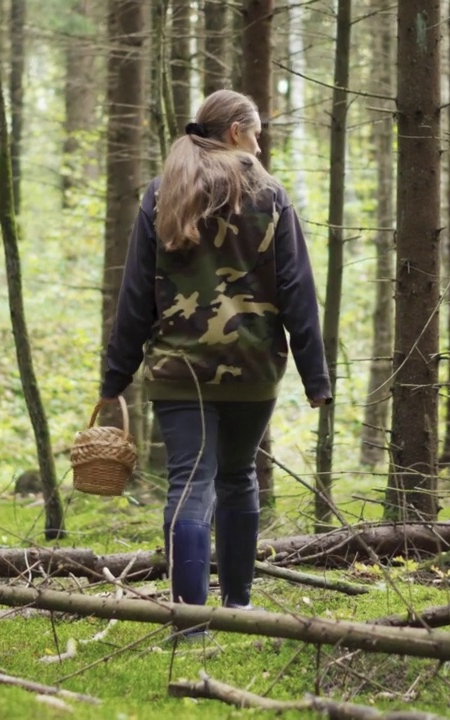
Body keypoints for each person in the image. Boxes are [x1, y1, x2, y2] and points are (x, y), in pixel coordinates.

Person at [100, 89, 330, 618]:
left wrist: (115, 378)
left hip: (177, 371)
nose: (260, 144)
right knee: (237, 477)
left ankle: (188, 619)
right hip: (252, 368)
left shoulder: (164, 192)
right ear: (234, 133)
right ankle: (238, 605)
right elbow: (297, 290)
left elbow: (135, 294)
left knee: (188, 485)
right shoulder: (270, 195)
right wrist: (315, 378)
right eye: (256, 133)